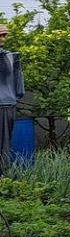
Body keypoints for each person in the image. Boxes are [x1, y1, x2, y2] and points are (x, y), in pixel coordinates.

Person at [0, 23, 24, 175]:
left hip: (7, 104)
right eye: (0, 34)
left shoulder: (11, 56)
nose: (3, 37)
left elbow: (18, 79)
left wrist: (16, 95)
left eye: (4, 34)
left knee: (5, 142)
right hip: (6, 103)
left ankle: (2, 175)